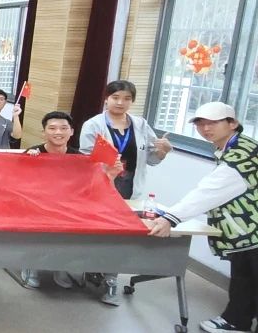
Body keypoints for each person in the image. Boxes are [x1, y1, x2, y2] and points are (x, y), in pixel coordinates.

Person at [146, 102, 258, 333]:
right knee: (244, 278)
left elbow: (210, 191)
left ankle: (237, 320)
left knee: (248, 278)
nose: (206, 129)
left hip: (252, 230)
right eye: (201, 124)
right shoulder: (231, 146)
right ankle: (236, 321)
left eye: (213, 123)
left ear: (233, 123)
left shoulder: (241, 154)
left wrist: (171, 218)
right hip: (246, 233)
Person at [79, 80, 172, 306]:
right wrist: (108, 166)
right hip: (102, 184)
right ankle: (91, 269)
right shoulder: (93, 124)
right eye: (116, 97)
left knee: (121, 234)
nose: (121, 103)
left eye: (127, 99)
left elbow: (151, 159)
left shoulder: (140, 124)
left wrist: (162, 152)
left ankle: (111, 278)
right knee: (99, 232)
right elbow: (85, 158)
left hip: (130, 186)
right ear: (106, 99)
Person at [19, 111, 121, 289]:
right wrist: (28, 162)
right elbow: (19, 185)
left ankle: (63, 266)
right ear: (44, 132)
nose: (58, 132)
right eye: (52, 128)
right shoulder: (33, 153)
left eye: (63, 128)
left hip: (69, 209)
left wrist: (110, 175)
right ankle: (31, 266)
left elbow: (93, 189)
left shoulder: (79, 159)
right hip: (38, 209)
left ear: (72, 131)